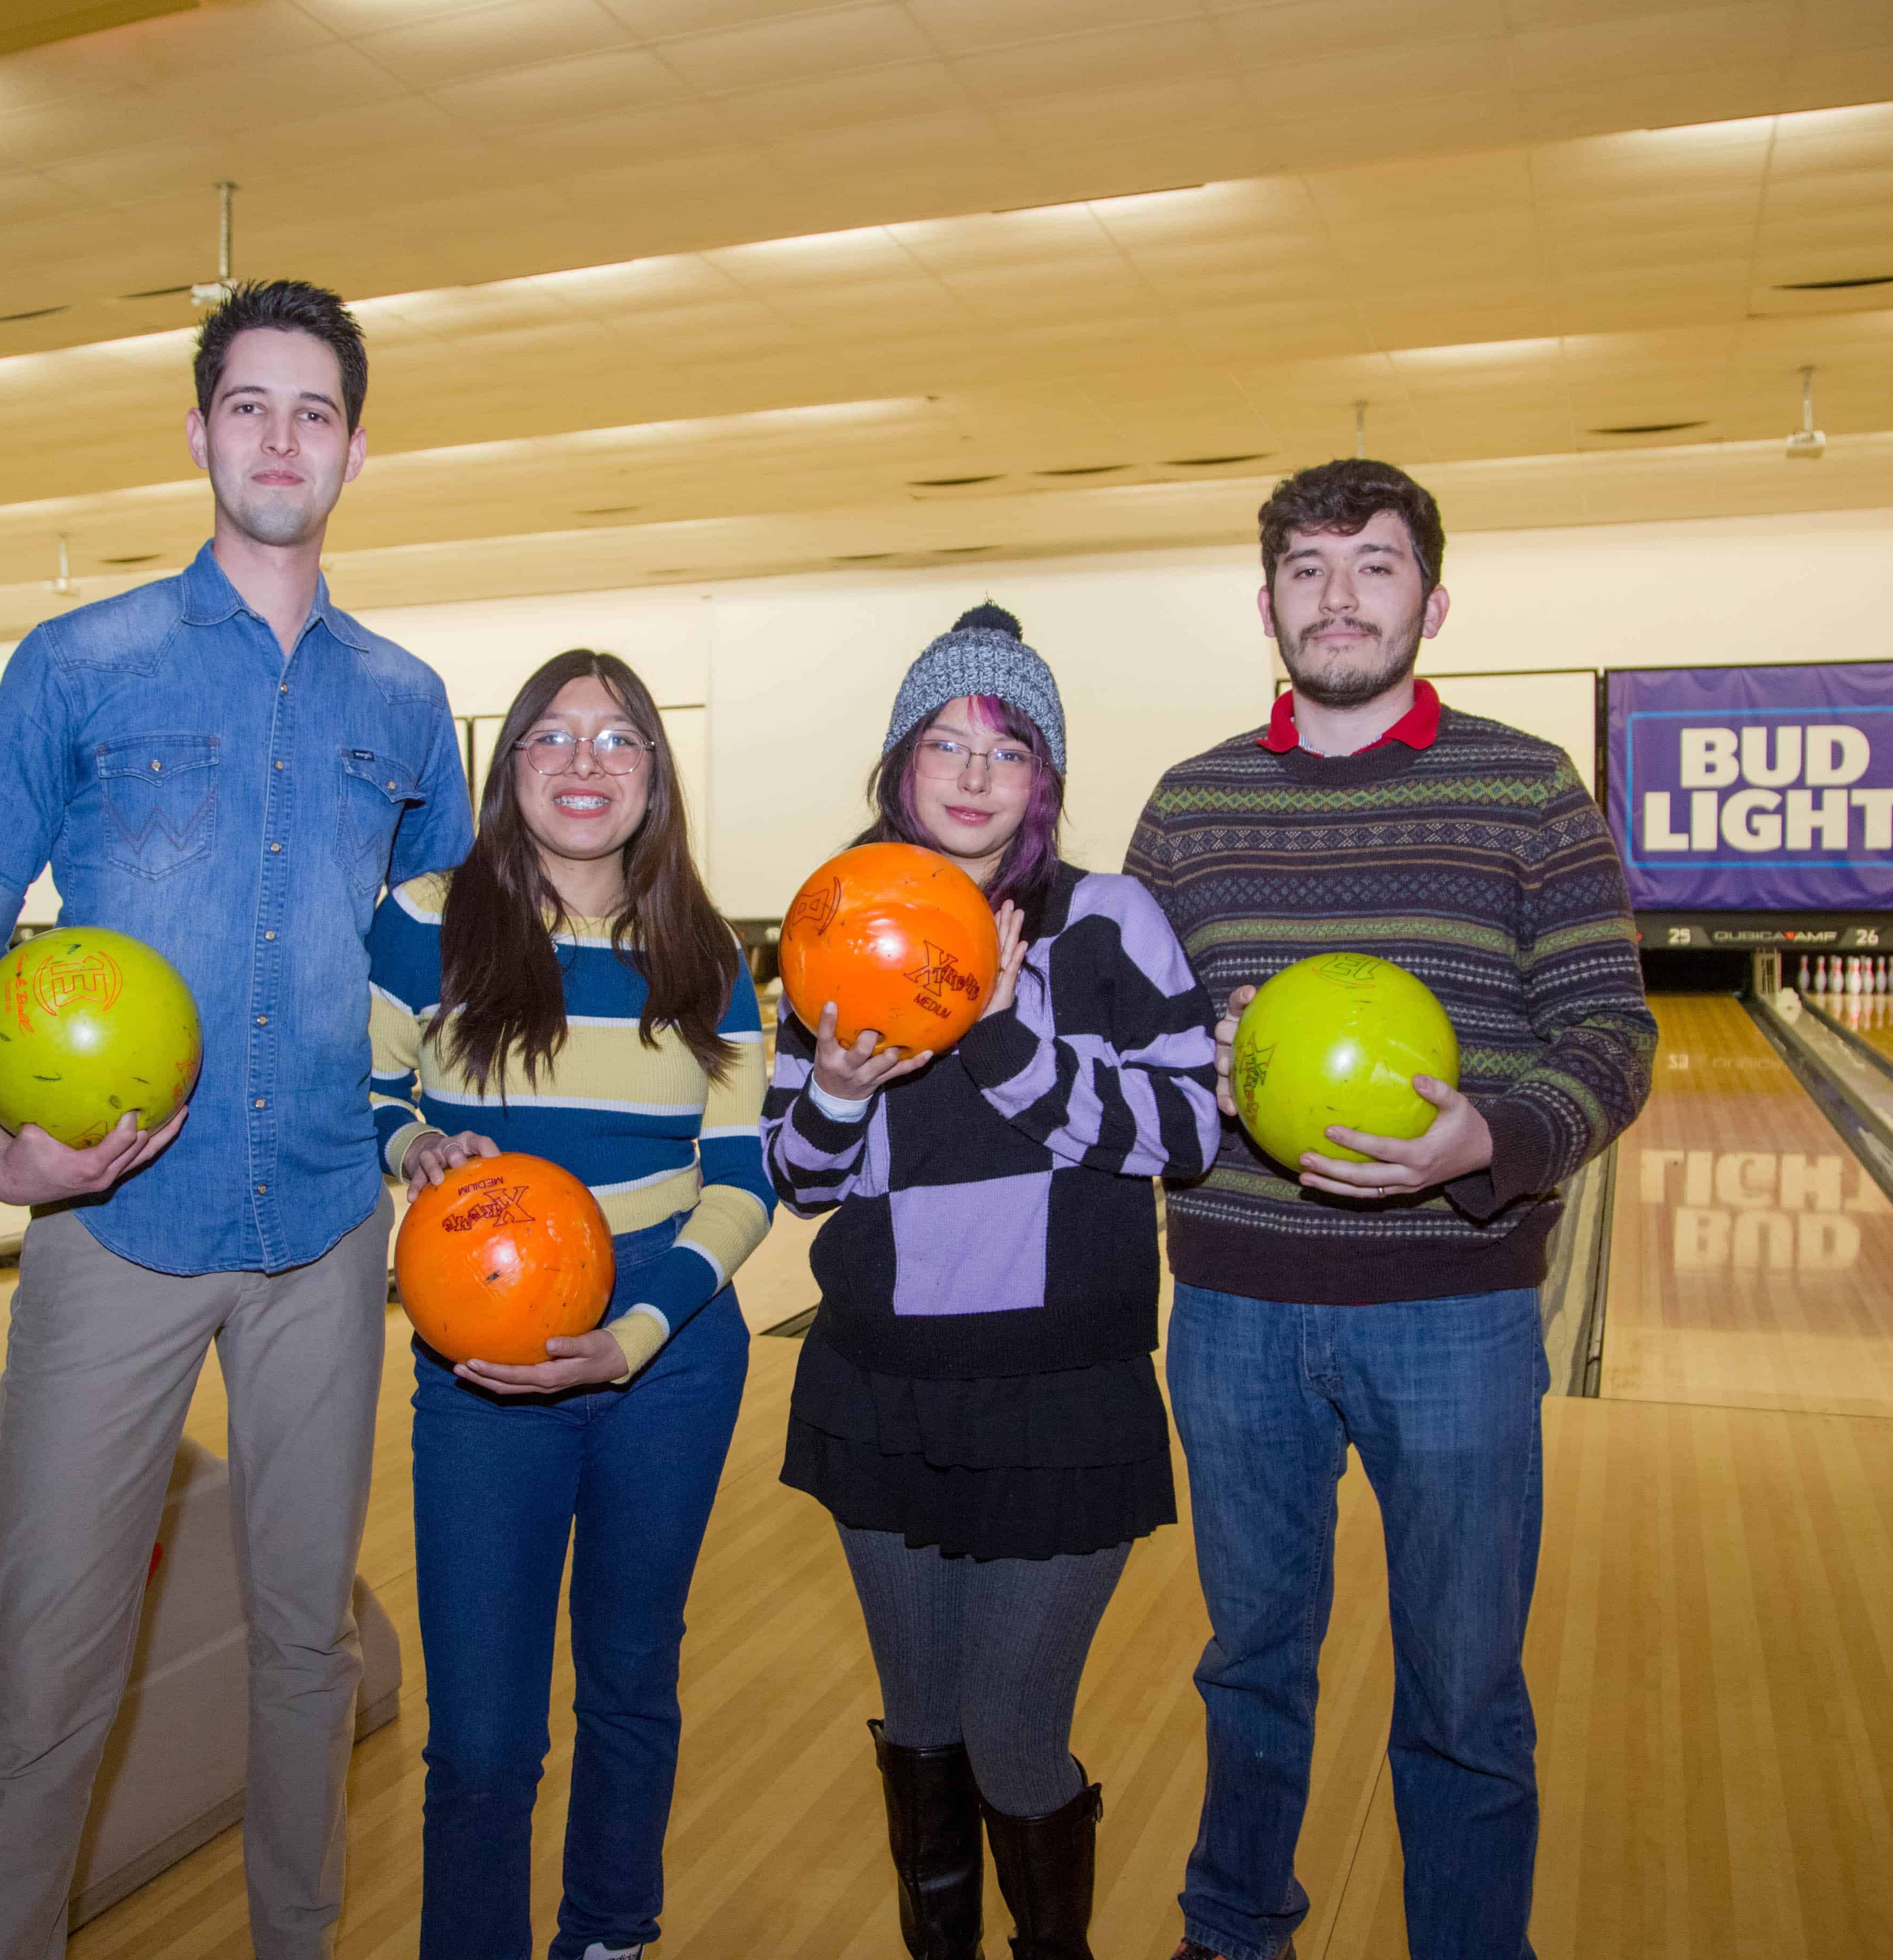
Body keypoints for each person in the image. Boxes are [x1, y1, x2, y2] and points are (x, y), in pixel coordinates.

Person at [0, 279, 470, 1960]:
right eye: (250, 406)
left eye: (314, 412)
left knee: (307, 1649)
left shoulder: (406, 699)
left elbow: (430, 938)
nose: (281, 438)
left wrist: (439, 1118)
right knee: (55, 1661)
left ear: (355, 450)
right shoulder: (79, 664)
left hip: (321, 1234)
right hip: (115, 1232)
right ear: (200, 429)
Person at [1125, 462, 1656, 1960]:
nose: (1339, 595)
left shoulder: (1528, 785)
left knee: (1468, 1685)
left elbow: (1614, 1036)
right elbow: (1131, 1055)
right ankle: (1235, 1931)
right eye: (1307, 567)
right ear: (1268, 602)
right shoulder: (1193, 804)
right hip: (1234, 1310)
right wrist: (1194, 1073)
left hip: (1457, 1311)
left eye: (1372, 565)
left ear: (1432, 598)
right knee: (1252, 1666)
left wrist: (1490, 1140)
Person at [762, 606, 1220, 1960]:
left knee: (1016, 1729)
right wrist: (839, 1089)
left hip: (1060, 1396)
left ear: (1046, 781)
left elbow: (1192, 1134)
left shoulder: (1106, 921)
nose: (972, 775)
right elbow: (798, 1173)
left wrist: (1012, 1039)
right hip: (881, 1387)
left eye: (1008, 749)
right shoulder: (839, 920)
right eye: (946, 743)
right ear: (900, 765)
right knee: (924, 1725)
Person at [368, 649, 774, 1960]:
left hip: (666, 1362)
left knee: (630, 1689)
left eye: (617, 740)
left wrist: (634, 1337)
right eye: (551, 737)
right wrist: (408, 1150)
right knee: (482, 1734)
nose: (584, 763)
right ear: (510, 770)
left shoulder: (704, 953)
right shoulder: (424, 918)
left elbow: (741, 1178)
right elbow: (368, 1095)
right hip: (481, 1375)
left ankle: (610, 1936)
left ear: (655, 774)